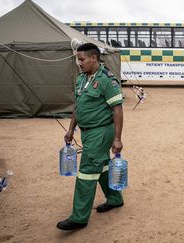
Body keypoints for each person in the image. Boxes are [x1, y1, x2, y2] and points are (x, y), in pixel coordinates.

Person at [57, 43, 124, 231]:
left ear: (94, 58)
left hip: (101, 132)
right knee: (101, 166)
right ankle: (115, 199)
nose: (79, 63)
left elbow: (117, 109)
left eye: (82, 59)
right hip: (86, 132)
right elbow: (78, 106)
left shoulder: (106, 80)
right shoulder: (81, 79)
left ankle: (79, 218)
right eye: (78, 59)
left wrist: (117, 138)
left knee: (86, 172)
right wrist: (71, 129)